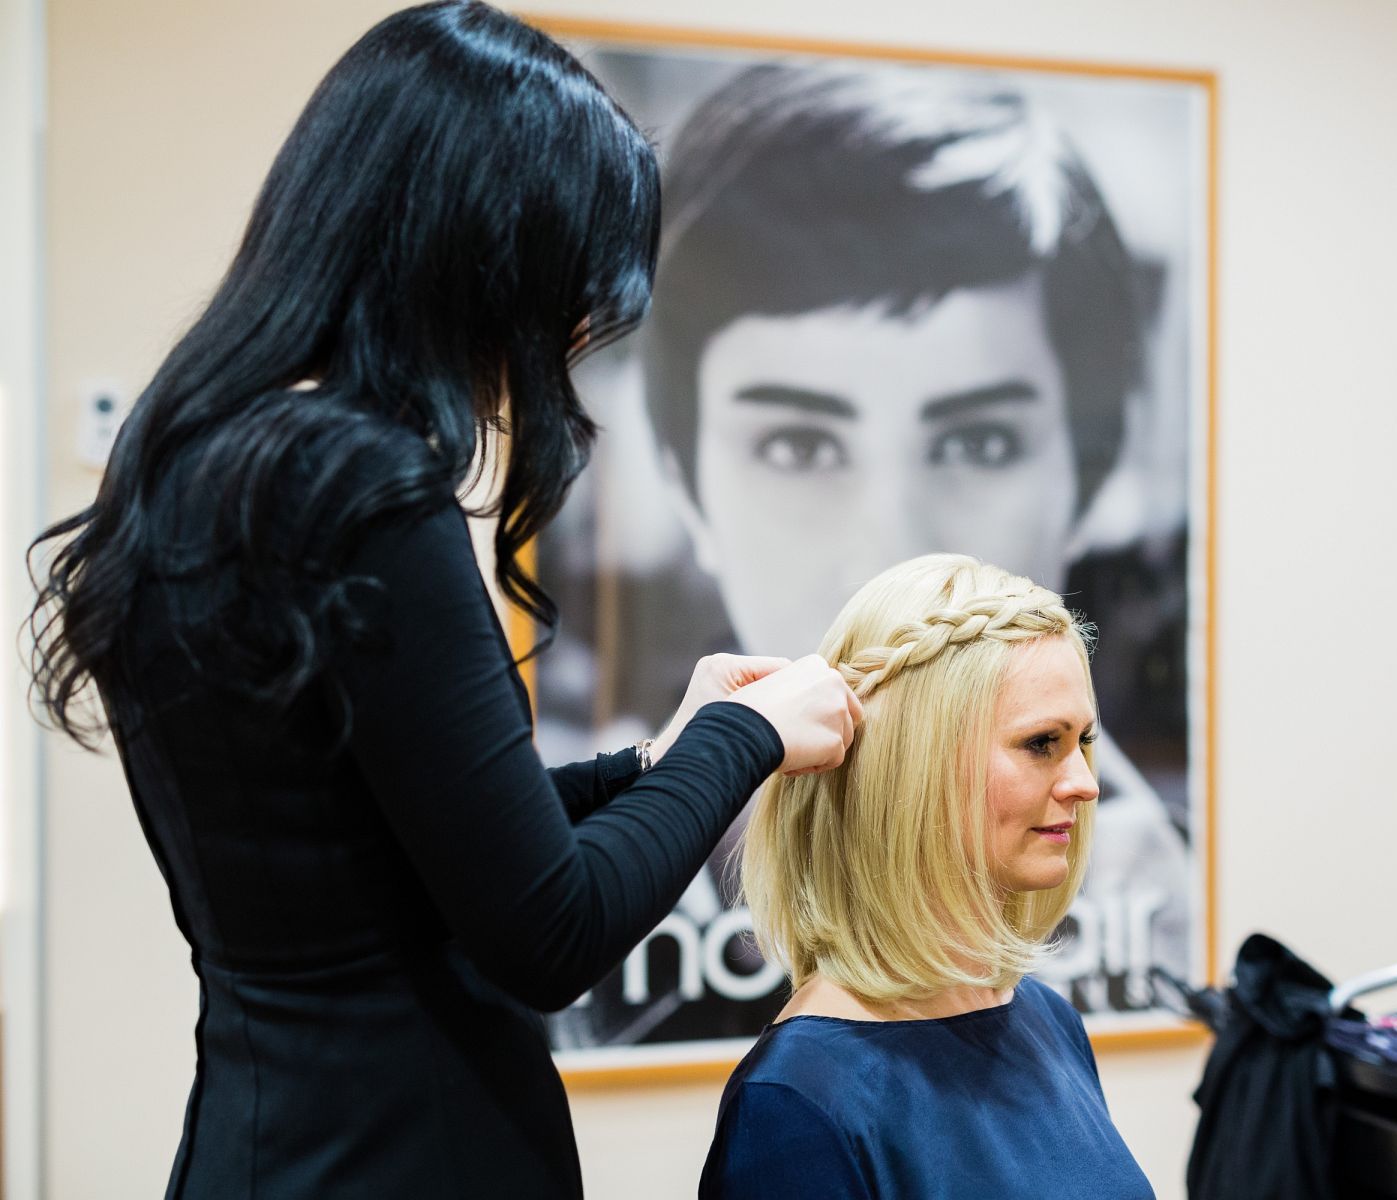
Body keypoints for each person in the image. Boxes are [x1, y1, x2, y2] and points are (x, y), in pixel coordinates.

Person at [22, 5, 858, 1197]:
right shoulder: (363, 488)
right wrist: (748, 738)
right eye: (564, 278)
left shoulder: (194, 464)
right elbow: (546, 931)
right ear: (480, 243)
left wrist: (654, 759)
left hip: (255, 1148)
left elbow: (416, 843)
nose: (565, 330)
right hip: (411, 1157)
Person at [596, 61, 1188, 1041]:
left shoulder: (1135, 930)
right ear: (683, 477)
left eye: (978, 443)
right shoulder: (597, 943)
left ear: (1089, 475)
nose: (889, 547)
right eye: (798, 446)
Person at [698, 554, 1155, 1198]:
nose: (1085, 783)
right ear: (915, 766)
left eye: (1083, 740)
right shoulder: (798, 1104)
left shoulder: (1047, 1022)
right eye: (1041, 743)